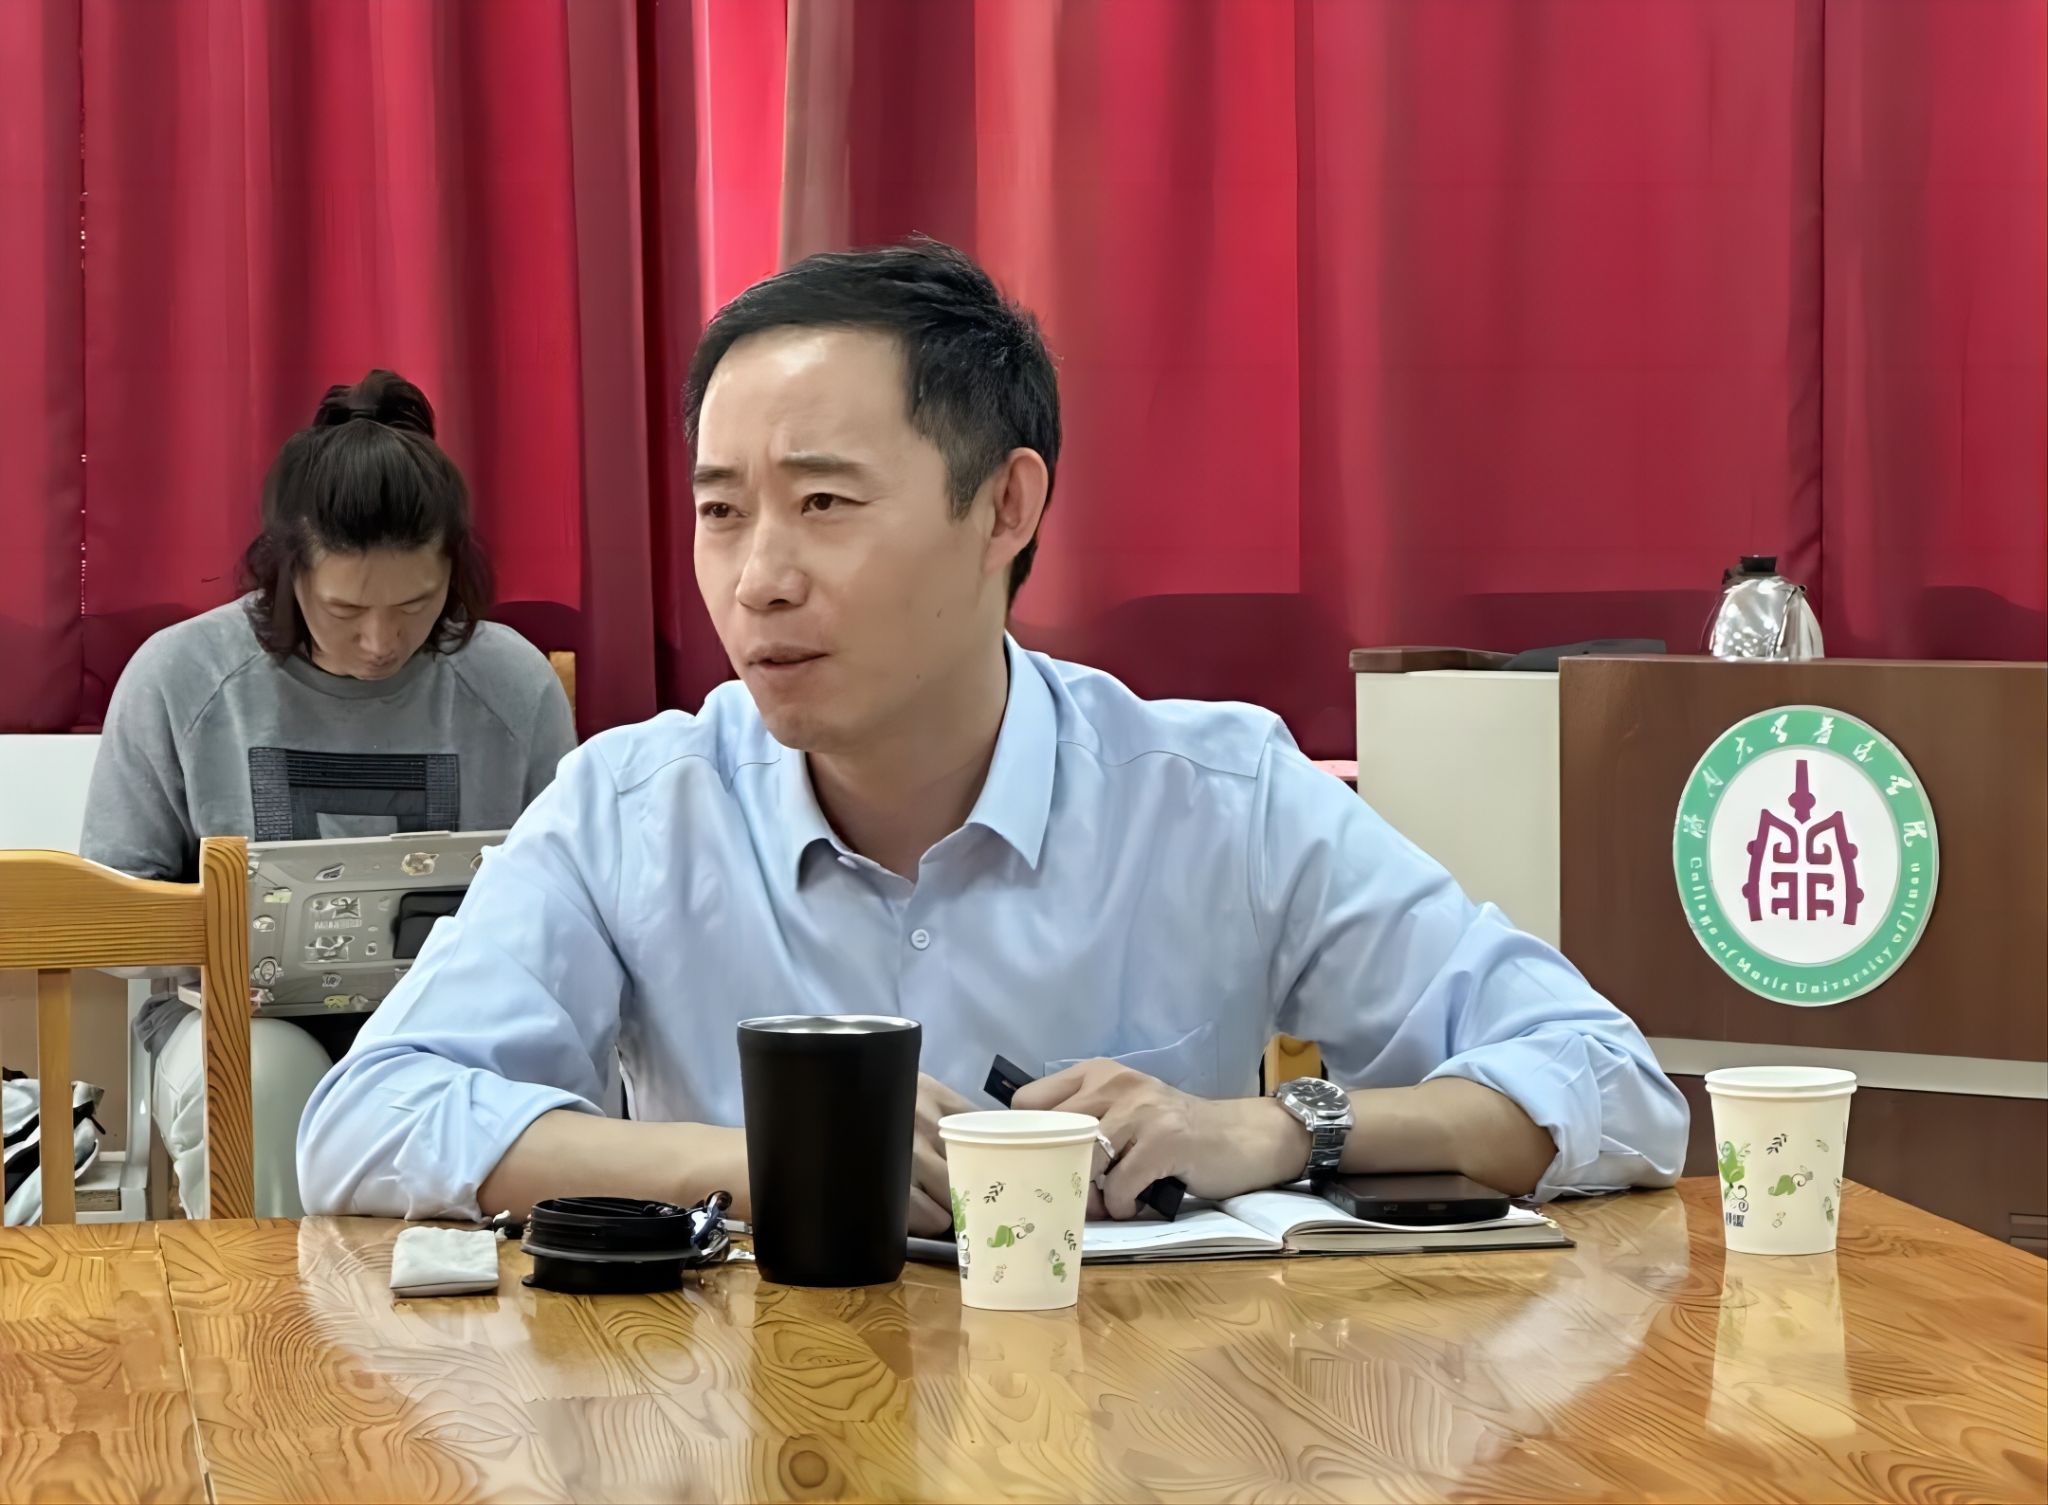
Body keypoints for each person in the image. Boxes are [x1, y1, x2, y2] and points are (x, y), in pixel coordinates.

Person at [298, 243, 1687, 1228]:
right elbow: (365, 1123)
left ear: (1006, 509)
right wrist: (757, 1159)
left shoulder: (1214, 792)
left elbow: (1610, 1083)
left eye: (824, 504)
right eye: (721, 510)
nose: (757, 577)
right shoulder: (628, 806)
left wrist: (1274, 1128)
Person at [83, 370, 575, 1217]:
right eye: (346, 609)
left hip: (451, 1020)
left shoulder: (511, 684)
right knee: (268, 1077)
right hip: (237, 1025)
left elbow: (570, 899)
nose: (382, 641)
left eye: (416, 604)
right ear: (285, 575)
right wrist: (225, 928)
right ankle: (276, 1304)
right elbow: (110, 917)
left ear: (455, 573)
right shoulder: (181, 676)